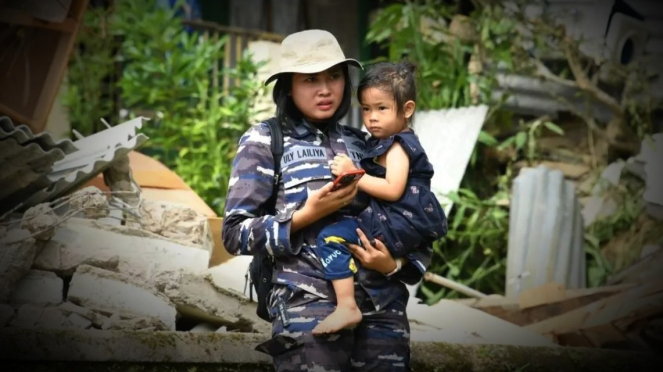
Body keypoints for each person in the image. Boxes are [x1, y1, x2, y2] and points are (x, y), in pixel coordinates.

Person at [222, 29, 433, 371]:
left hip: (382, 314)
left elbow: (417, 216)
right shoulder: (265, 140)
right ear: (288, 86)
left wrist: (395, 266)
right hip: (309, 312)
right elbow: (233, 233)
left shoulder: (370, 144)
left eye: (334, 76)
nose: (325, 89)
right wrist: (306, 215)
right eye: (310, 79)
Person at [311, 61, 448, 335]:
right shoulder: (387, 141)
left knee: (330, 238)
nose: (372, 117)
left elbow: (392, 189)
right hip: (399, 222)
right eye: (366, 109)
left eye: (382, 108)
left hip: (393, 222)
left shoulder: (398, 145)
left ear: (407, 109)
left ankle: (347, 306)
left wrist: (354, 173)